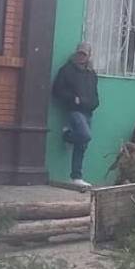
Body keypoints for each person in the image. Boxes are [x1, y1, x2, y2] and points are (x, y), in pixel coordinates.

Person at [52, 42, 99, 189]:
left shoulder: (91, 73)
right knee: (85, 136)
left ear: (89, 56)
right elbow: (57, 90)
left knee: (82, 145)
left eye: (84, 54)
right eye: (79, 53)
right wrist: (73, 98)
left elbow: (95, 94)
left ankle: (76, 176)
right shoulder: (67, 70)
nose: (81, 56)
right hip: (74, 110)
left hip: (88, 111)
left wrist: (94, 103)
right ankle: (67, 135)